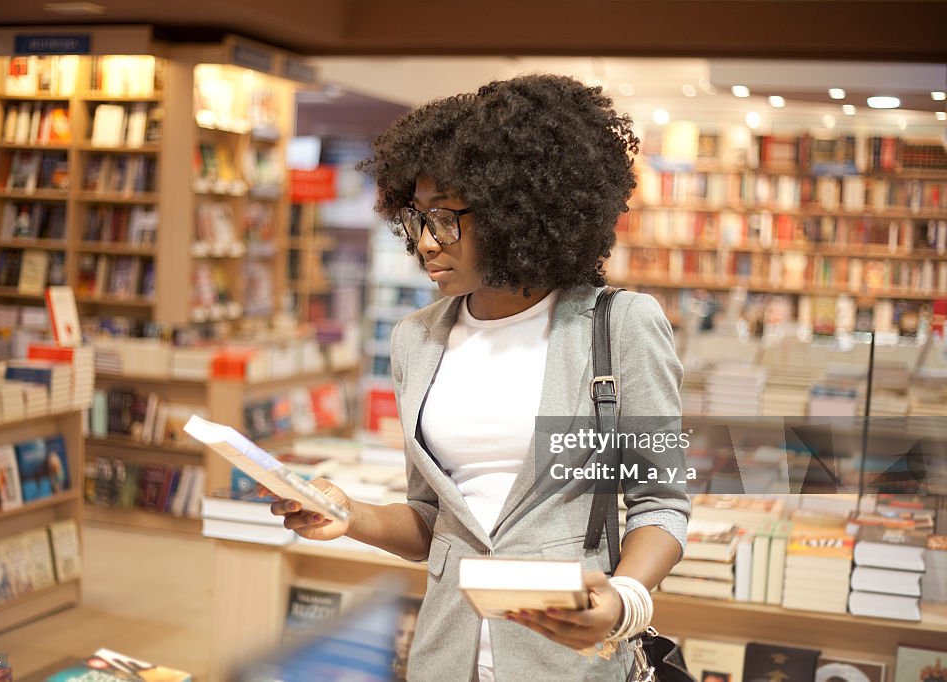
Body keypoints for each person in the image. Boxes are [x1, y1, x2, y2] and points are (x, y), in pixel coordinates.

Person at [271, 74, 689, 681]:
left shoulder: (618, 325)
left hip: (567, 659)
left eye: (445, 219)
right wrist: (351, 514)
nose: (424, 244)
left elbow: (661, 504)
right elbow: (431, 518)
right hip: (447, 654)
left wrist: (626, 599)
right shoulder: (417, 338)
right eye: (416, 219)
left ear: (516, 211)